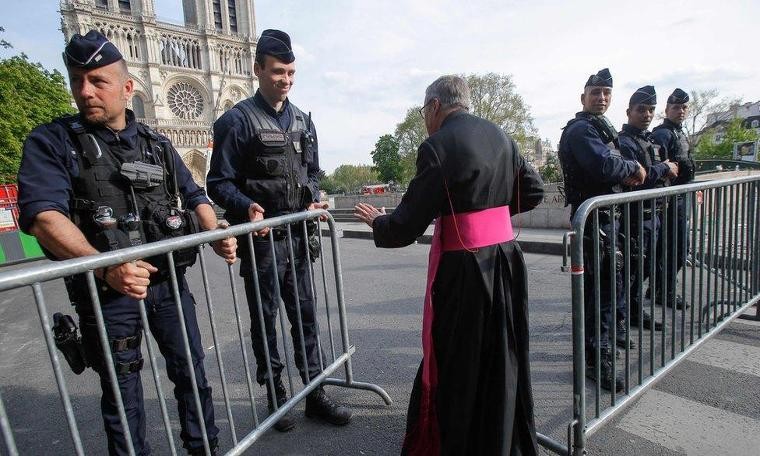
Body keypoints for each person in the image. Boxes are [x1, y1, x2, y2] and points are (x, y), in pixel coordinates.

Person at [17, 31, 236, 455]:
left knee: (191, 373)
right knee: (122, 392)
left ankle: (204, 448)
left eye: (98, 81)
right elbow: (44, 217)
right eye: (77, 80)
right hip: (107, 292)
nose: (85, 91)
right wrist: (105, 265)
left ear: (127, 87)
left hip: (168, 283)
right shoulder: (53, 141)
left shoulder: (156, 143)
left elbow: (194, 194)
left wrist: (216, 234)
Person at [354, 75, 544, 455]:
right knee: (503, 356)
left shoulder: (438, 146)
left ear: (435, 106)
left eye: (425, 111)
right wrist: (488, 217)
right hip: (506, 261)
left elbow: (406, 226)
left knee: (460, 363)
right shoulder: (501, 136)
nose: (425, 118)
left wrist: (379, 221)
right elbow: (535, 190)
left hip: (466, 271)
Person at [206, 29, 351, 432]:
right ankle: (276, 394)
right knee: (265, 317)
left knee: (305, 316)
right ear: (257, 70)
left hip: (298, 238)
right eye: (276, 72)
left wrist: (315, 198)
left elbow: (313, 173)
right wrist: (244, 206)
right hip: (263, 243)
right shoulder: (236, 121)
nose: (285, 79)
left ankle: (316, 391)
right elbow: (217, 183)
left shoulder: (304, 121)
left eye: (290, 72)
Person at [557, 68, 646, 392]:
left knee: (608, 291)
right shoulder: (582, 130)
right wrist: (633, 167)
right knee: (602, 294)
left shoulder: (598, 129)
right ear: (583, 97)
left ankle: (600, 349)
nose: (602, 97)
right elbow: (605, 166)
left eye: (607, 92)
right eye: (596, 92)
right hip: (597, 223)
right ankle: (597, 359)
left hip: (607, 221)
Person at [618, 85, 677, 336]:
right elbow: (640, 177)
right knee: (631, 270)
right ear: (629, 111)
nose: (647, 114)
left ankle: (632, 310)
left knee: (645, 267)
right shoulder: (624, 142)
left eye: (651, 110)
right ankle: (624, 317)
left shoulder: (649, 140)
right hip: (635, 217)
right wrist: (664, 168)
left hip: (654, 214)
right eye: (641, 109)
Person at [652, 88, 696, 310]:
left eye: (684, 107)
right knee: (673, 249)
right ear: (667, 109)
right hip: (669, 200)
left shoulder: (679, 132)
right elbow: (660, 171)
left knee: (676, 247)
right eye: (676, 107)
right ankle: (664, 291)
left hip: (680, 197)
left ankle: (659, 287)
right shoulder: (663, 134)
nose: (680, 111)